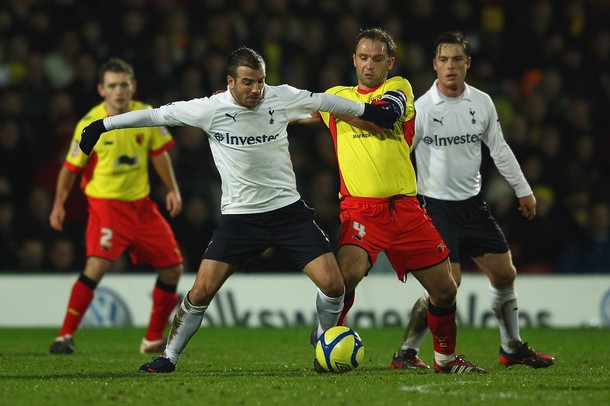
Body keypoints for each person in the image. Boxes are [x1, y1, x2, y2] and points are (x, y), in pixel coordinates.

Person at [78, 46, 397, 373]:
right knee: (201, 291)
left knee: (334, 285)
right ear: (230, 81)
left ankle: (323, 338)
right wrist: (103, 125)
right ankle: (169, 356)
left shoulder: (279, 96)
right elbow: (157, 115)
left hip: (288, 212)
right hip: (240, 220)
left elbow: (324, 100)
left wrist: (368, 111)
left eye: (259, 81)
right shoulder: (210, 109)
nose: (256, 89)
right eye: (247, 82)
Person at [298, 28, 485, 374]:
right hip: (360, 210)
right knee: (345, 276)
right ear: (354, 60)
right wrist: (246, 103)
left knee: (445, 290)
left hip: (405, 210)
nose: (369, 65)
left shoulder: (398, 88)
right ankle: (326, 338)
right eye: (364, 57)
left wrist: (335, 109)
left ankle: (444, 360)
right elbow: (295, 111)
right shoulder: (336, 95)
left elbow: (383, 117)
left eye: (377, 58)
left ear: (390, 62)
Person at [396, 31, 554, 369]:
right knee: (447, 288)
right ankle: (407, 352)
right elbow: (400, 156)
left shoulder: (481, 102)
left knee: (505, 274)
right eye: (444, 60)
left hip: (473, 205)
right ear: (435, 65)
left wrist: (523, 189)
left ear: (468, 64)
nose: (450, 66)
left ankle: (510, 348)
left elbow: (499, 148)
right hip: (436, 208)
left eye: (456, 60)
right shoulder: (421, 109)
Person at [48, 58, 184, 355]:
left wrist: (172, 188)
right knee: (97, 265)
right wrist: (58, 204)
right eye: (112, 86)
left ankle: (151, 339)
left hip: (142, 207)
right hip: (106, 205)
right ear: (101, 89)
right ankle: (65, 335)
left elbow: (159, 154)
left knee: (173, 269)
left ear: (133, 86)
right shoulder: (89, 125)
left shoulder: (147, 114)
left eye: (124, 84)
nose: (119, 91)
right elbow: (70, 168)